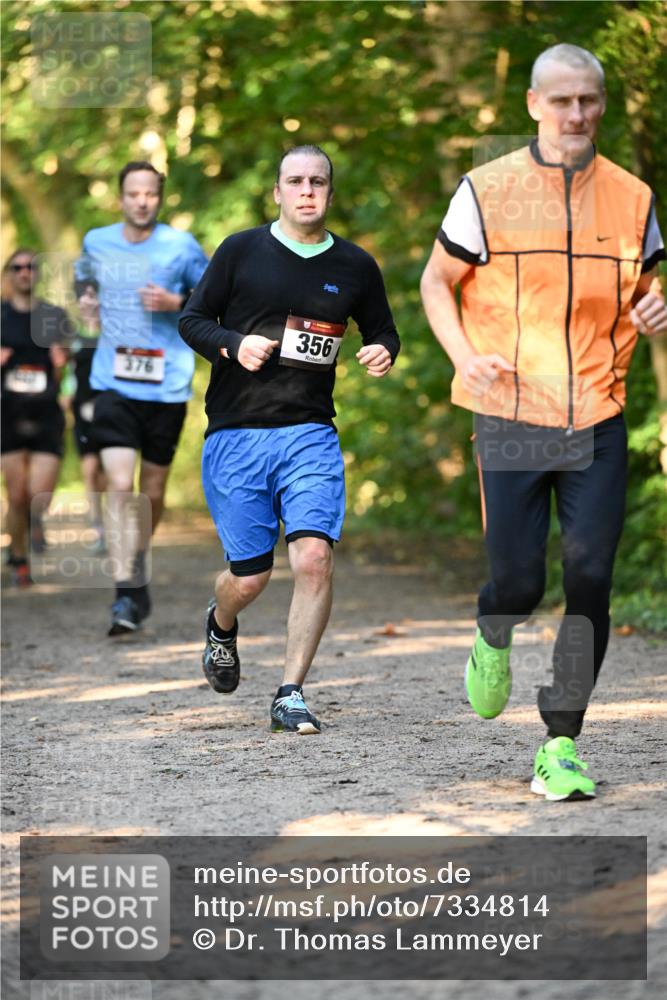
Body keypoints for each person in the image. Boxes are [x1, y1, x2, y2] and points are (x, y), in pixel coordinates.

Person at [420, 44, 666, 800]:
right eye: (561, 101)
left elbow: (650, 305)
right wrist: (463, 357)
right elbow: (435, 281)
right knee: (518, 580)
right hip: (511, 414)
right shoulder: (486, 189)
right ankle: (493, 630)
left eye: (588, 100)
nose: (577, 114)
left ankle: (560, 739)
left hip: (596, 413)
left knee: (589, 576)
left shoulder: (632, 197)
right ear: (532, 104)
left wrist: (659, 314)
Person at [179, 144, 400, 734]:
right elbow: (191, 320)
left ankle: (290, 692)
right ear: (277, 191)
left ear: (330, 192)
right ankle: (221, 622)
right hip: (237, 434)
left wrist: (383, 351)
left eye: (318, 181)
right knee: (249, 577)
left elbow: (383, 331)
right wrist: (232, 343)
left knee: (314, 558)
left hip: (309, 434)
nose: (307, 190)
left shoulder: (355, 265)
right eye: (295, 181)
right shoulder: (241, 250)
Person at [75, 161, 208, 635]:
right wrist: (85, 299)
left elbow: (215, 294)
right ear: (120, 198)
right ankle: (126, 591)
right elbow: (82, 279)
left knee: (151, 492)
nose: (142, 201)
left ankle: (135, 559)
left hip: (166, 382)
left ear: (159, 198)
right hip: (112, 379)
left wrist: (177, 303)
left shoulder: (181, 246)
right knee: (117, 482)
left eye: (150, 193)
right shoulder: (97, 241)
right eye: (133, 193)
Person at [1, 249, 71, 586]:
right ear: (9, 275)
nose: (25, 272)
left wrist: (60, 366)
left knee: (38, 495)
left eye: (31, 267)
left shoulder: (54, 315)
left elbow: (67, 369)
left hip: (46, 413)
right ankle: (19, 558)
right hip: (8, 414)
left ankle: (31, 525)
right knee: (16, 495)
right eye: (18, 268)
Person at [61, 279, 106, 553]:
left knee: (112, 471)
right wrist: (65, 394)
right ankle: (97, 526)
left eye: (93, 296)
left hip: (112, 407)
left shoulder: (113, 332)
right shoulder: (73, 336)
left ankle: (117, 526)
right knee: (90, 471)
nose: (89, 302)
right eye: (83, 297)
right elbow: (67, 371)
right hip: (82, 408)